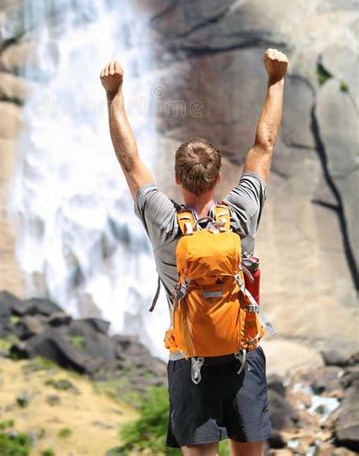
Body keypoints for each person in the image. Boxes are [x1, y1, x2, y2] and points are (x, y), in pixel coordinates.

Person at [100, 48, 289, 456]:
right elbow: (264, 146)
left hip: (190, 362)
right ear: (220, 177)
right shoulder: (241, 214)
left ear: (176, 179)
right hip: (244, 357)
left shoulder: (163, 220)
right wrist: (275, 81)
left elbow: (129, 161)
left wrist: (114, 95)